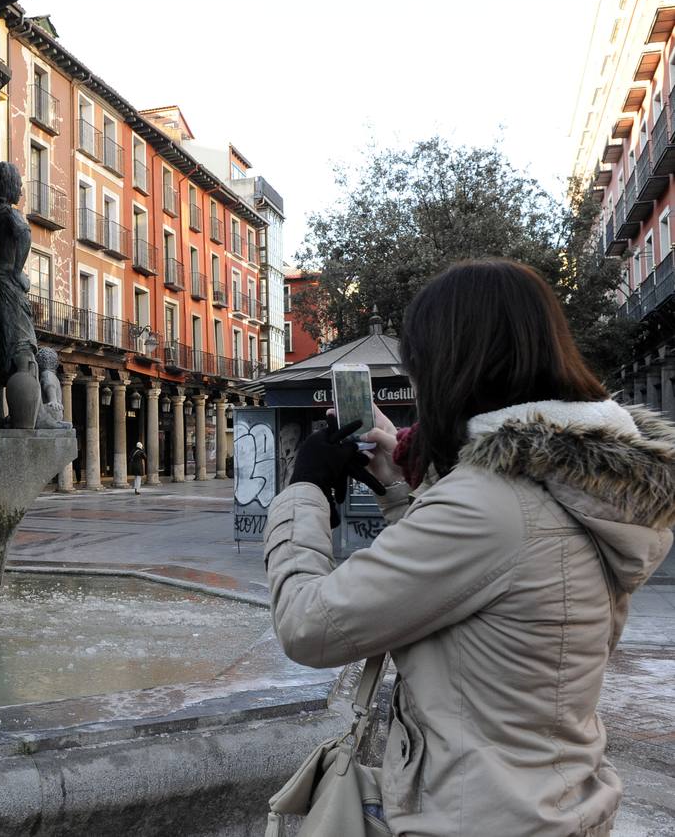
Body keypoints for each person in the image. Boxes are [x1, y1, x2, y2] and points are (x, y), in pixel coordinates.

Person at [264, 259, 674, 836]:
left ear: (455, 367)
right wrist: (398, 484)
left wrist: (303, 489)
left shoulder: (490, 508)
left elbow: (307, 625)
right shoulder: (571, 487)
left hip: (480, 818)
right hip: (550, 802)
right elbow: (475, 589)